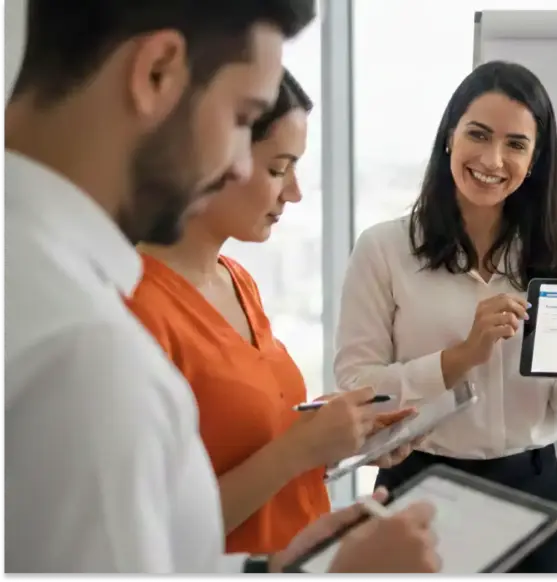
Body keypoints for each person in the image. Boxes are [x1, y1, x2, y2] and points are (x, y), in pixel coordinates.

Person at [4, 1, 437, 573]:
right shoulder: (89, 354)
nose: (235, 167)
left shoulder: (59, 297)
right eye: (241, 118)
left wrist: (269, 569)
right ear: (156, 71)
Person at [333, 60, 557, 574]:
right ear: (450, 136)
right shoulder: (383, 249)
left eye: (516, 144)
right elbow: (357, 387)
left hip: (533, 488)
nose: (493, 159)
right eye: (479, 134)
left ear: (534, 159)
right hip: (418, 486)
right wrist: (461, 357)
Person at [126, 69, 419, 556]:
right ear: (214, 157)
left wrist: (339, 439)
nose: (294, 192)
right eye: (279, 169)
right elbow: (158, 530)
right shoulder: (137, 308)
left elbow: (254, 447)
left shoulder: (237, 280)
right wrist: (301, 448)